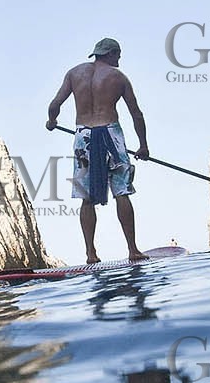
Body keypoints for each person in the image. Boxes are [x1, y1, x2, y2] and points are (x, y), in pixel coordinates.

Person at [46, 37, 150, 264]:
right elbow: (136, 114)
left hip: (84, 136)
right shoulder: (118, 78)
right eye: (118, 56)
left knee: (86, 197)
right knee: (121, 191)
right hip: (111, 134)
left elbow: (54, 105)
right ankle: (133, 250)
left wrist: (51, 121)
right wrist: (143, 146)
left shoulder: (74, 74)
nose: (119, 60)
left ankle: (91, 254)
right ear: (111, 54)